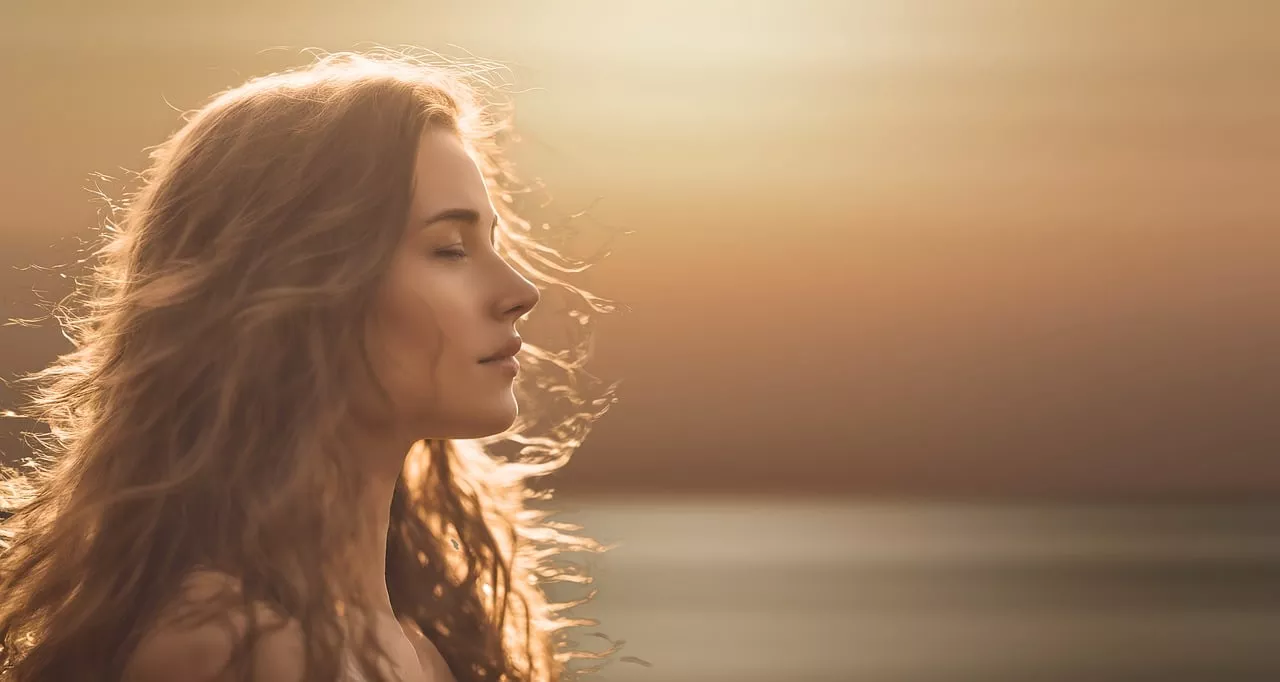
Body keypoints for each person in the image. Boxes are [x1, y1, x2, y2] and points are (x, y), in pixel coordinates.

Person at [0, 49, 622, 682]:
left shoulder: (416, 649)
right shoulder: (232, 650)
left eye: (492, 243)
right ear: (297, 290)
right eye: (449, 249)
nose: (520, 290)